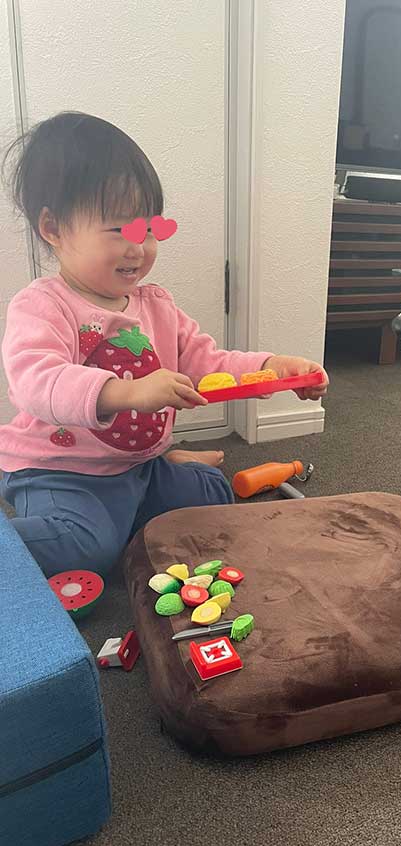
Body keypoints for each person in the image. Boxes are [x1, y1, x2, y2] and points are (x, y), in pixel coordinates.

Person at [0, 112, 328, 577]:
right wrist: (126, 391)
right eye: (119, 229)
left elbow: (209, 361)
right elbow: (37, 382)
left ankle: (163, 471)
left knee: (212, 494)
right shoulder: (44, 304)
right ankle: (110, 516)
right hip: (64, 470)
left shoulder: (157, 304)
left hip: (138, 465)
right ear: (52, 229)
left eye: (148, 229)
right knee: (84, 549)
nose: (140, 246)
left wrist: (273, 367)